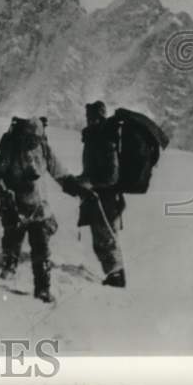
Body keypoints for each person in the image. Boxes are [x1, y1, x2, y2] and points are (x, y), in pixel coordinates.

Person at [0, 116, 69, 303]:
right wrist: (4, 191)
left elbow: (59, 172)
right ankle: (10, 263)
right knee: (12, 239)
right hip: (15, 206)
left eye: (36, 139)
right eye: (30, 138)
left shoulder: (44, 149)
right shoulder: (11, 149)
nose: (33, 142)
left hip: (39, 207)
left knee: (41, 246)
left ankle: (42, 288)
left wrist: (74, 186)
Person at [70, 100, 126, 287]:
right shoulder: (96, 137)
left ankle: (116, 277)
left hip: (106, 197)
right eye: (88, 117)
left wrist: (90, 182)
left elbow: (111, 175)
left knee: (105, 237)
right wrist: (83, 179)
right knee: (103, 237)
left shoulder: (105, 138)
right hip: (101, 196)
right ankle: (114, 274)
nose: (89, 120)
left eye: (92, 117)